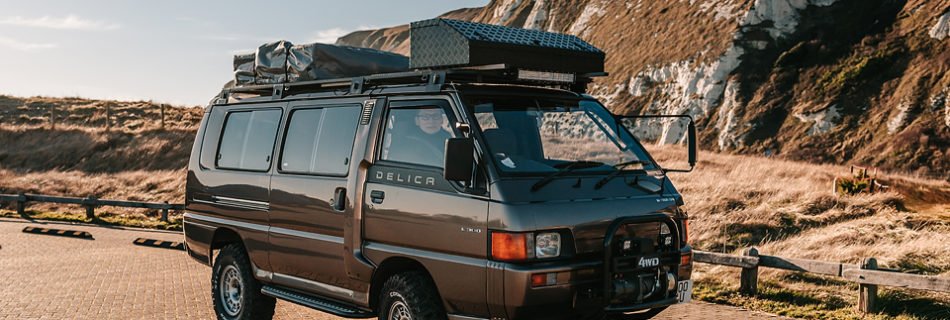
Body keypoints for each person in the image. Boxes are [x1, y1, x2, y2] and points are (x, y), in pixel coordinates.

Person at [386, 108, 453, 167]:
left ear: (441, 120)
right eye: (425, 117)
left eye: (435, 116)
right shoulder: (407, 143)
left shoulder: (450, 139)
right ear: (417, 121)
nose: (431, 121)